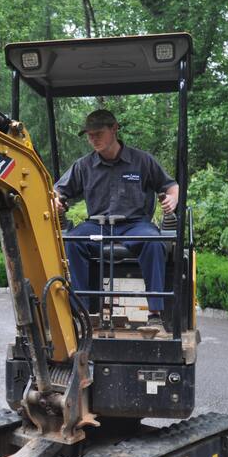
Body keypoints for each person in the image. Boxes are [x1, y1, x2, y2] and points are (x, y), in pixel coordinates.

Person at [54, 109, 179, 338]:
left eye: (98, 133)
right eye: (90, 135)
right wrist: (57, 201)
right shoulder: (83, 165)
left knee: (154, 241)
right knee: (71, 241)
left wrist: (172, 199)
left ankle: (155, 315)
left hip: (135, 225)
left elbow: (171, 186)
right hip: (97, 226)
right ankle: (82, 314)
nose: (93, 139)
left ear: (114, 129)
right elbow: (57, 191)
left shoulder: (142, 161)